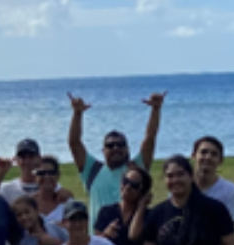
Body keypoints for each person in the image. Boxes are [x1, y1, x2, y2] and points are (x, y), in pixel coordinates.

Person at [67, 90, 167, 224]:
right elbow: (74, 143)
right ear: (103, 150)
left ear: (127, 148)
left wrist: (156, 109)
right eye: (110, 145)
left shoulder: (136, 170)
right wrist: (77, 113)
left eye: (120, 144)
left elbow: (150, 138)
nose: (116, 148)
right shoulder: (92, 170)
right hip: (101, 239)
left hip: (132, 238)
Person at [0, 138, 44, 205]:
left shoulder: (48, 187)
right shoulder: (7, 189)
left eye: (31, 156)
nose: (27, 161)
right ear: (16, 160)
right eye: (23, 157)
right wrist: (1, 173)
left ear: (39, 159)